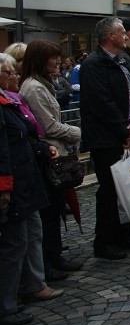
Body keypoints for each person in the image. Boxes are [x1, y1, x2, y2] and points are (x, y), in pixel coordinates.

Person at [1, 59, 63, 325]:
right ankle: (7, 304)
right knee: (12, 245)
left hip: (25, 180)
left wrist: (40, 148)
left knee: (27, 236)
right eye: (9, 72)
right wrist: (4, 185)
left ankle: (27, 287)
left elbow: (25, 135)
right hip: (14, 183)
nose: (14, 75)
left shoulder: (8, 100)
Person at [80, 18, 130, 261]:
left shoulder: (122, 61)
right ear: (109, 35)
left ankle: (125, 231)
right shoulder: (94, 65)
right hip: (105, 138)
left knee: (125, 188)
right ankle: (105, 240)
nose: (126, 36)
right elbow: (101, 102)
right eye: (121, 32)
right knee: (108, 190)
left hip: (123, 132)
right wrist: (122, 129)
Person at [19, 41, 83, 276]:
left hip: (54, 152)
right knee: (50, 211)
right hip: (49, 155)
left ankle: (54, 257)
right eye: (53, 58)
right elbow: (48, 126)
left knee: (55, 208)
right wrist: (75, 133)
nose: (58, 62)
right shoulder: (34, 88)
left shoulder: (43, 85)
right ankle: (50, 260)